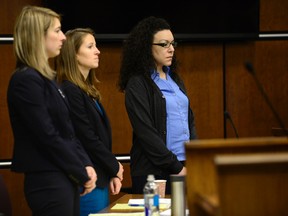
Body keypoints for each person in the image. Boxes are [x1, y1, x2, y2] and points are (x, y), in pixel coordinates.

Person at [7, 6, 97, 216]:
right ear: (38, 35)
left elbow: (68, 131)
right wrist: (80, 171)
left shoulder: (47, 80)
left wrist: (85, 163)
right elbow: (47, 135)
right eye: (57, 31)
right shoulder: (25, 80)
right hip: (48, 181)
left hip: (64, 178)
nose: (63, 37)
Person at [118, 16, 197, 194]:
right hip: (155, 171)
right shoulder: (138, 83)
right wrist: (176, 167)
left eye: (172, 44)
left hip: (185, 165)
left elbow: (189, 120)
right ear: (147, 47)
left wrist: (194, 156)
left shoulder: (175, 78)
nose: (171, 49)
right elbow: (146, 132)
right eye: (164, 44)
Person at [55, 28, 124, 215]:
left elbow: (99, 136)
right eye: (90, 46)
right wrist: (114, 165)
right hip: (86, 179)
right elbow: (86, 136)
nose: (98, 51)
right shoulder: (70, 89)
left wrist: (110, 171)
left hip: (99, 176)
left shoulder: (87, 89)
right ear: (74, 54)